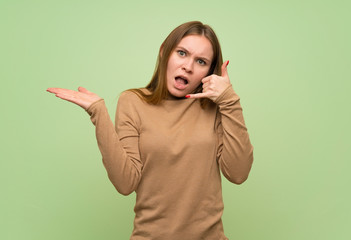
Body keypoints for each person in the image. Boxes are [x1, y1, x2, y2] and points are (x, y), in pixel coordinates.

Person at [47, 21, 254, 240]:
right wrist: (98, 113)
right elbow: (126, 183)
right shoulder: (133, 102)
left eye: (201, 61)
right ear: (165, 51)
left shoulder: (216, 107)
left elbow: (238, 174)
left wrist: (228, 100)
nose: (188, 66)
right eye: (182, 53)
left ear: (209, 72)